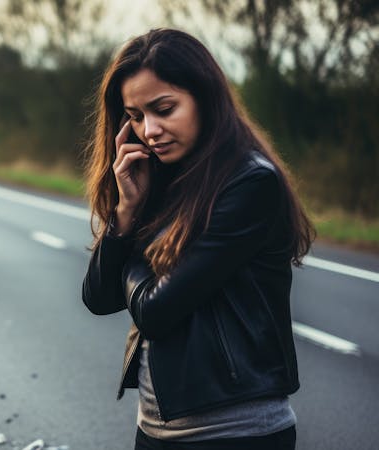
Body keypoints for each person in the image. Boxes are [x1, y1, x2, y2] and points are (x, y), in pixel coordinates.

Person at [81, 29, 315, 450]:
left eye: (164, 109)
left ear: (205, 97)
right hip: (156, 428)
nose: (149, 130)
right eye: (134, 116)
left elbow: (154, 311)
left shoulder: (249, 183)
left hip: (235, 434)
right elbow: (99, 299)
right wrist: (126, 212)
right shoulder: (164, 180)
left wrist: (134, 248)